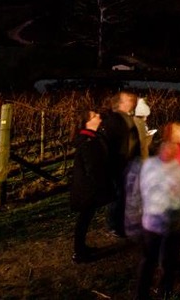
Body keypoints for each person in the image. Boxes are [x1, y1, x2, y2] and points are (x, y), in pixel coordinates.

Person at [134, 122, 180, 300]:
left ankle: (142, 294)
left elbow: (142, 187)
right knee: (167, 260)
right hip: (171, 220)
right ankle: (165, 292)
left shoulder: (149, 165)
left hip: (151, 220)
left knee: (149, 260)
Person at [70, 109, 113, 263]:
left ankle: (81, 248)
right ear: (87, 122)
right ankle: (79, 253)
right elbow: (92, 168)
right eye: (94, 116)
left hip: (88, 187)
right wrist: (100, 185)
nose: (98, 116)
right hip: (87, 188)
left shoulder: (93, 137)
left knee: (86, 217)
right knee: (84, 218)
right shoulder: (88, 142)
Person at [101, 91, 141, 237]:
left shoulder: (127, 118)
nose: (132, 101)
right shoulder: (113, 120)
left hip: (127, 161)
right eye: (128, 99)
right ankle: (114, 226)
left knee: (124, 194)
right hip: (118, 164)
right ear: (120, 103)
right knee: (118, 195)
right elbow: (112, 144)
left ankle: (121, 223)